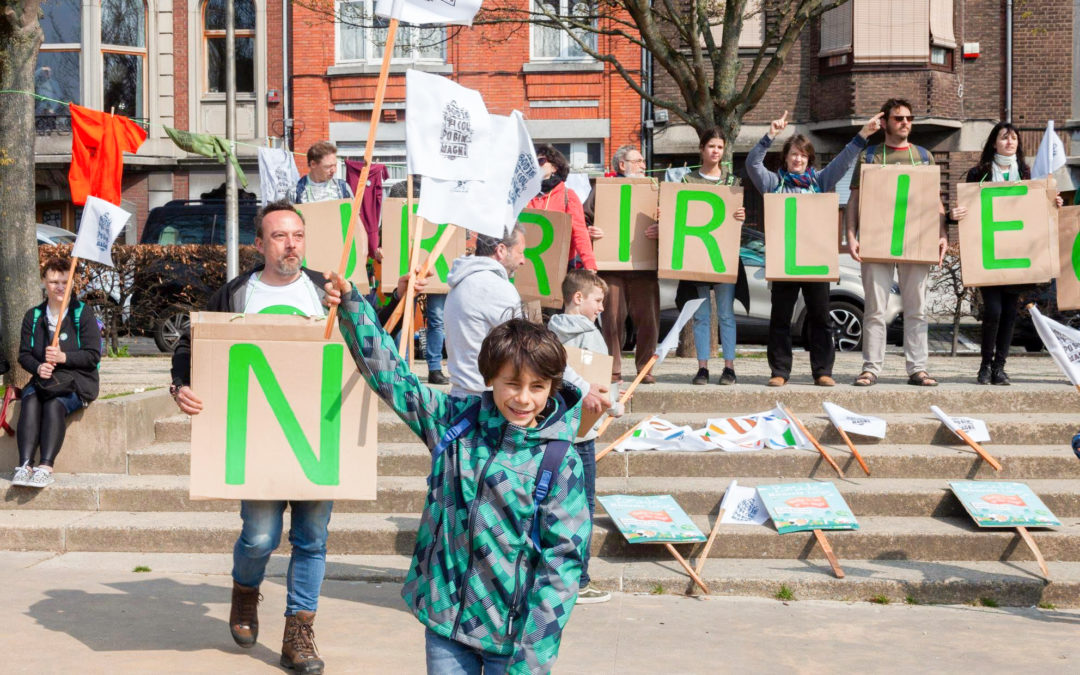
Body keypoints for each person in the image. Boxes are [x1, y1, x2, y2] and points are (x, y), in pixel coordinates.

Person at [169, 200, 420, 673]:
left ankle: (298, 632)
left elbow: (373, 336)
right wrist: (181, 384)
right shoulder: (235, 294)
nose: (291, 245)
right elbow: (192, 344)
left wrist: (395, 297)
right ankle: (245, 591)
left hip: (319, 435)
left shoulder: (329, 289)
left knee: (312, 538)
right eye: (280, 236)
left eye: (298, 235)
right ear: (260, 244)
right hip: (258, 439)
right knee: (260, 538)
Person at [327, 266, 590, 674]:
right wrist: (351, 304)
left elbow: (563, 565)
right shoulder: (456, 423)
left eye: (537, 387)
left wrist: (531, 662)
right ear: (490, 379)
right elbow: (393, 379)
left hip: (512, 640)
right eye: (511, 384)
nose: (523, 399)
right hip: (445, 624)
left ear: (552, 387)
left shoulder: (559, 461)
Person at [745, 111, 884, 387]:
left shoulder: (819, 182)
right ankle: (780, 372)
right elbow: (752, 164)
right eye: (793, 154)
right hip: (785, 261)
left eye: (803, 155)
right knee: (780, 318)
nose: (798, 159)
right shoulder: (774, 184)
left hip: (815, 261)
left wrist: (863, 135)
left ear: (809, 159)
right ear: (785, 158)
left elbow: (844, 162)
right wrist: (770, 134)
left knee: (821, 317)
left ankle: (822, 371)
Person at [950, 122, 1065, 385]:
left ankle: (1000, 366)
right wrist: (953, 216)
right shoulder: (978, 173)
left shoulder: (1026, 173)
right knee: (992, 310)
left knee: (1010, 312)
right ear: (994, 143)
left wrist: (1053, 203)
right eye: (1004, 138)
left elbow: (1036, 213)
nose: (1010, 142)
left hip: (1017, 255)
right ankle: (984, 365)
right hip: (989, 253)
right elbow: (967, 211)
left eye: (1014, 138)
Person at [845, 98, 948, 387]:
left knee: (917, 308)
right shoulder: (870, 156)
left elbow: (935, 202)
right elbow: (854, 200)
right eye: (899, 118)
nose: (906, 123)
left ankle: (918, 368)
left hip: (916, 242)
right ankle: (871, 368)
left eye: (909, 118)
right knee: (875, 309)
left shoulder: (923, 156)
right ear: (886, 122)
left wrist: (942, 235)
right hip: (877, 242)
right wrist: (851, 236)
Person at [547, 269, 625, 605]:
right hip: (580, 437)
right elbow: (596, 386)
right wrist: (615, 406)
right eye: (598, 300)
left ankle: (552, 575)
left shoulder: (549, 331)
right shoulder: (589, 335)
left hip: (552, 431)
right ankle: (579, 580)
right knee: (584, 507)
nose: (602, 308)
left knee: (553, 505)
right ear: (578, 298)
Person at [12, 257, 101, 488]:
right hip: (44, 380)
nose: (59, 287)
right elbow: (24, 355)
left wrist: (64, 357)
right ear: (44, 282)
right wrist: (38, 366)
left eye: (64, 281)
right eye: (53, 281)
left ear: (72, 283)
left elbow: (93, 356)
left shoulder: (83, 313)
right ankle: (25, 465)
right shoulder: (33, 316)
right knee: (30, 401)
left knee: (54, 404)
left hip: (77, 381)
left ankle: (45, 466)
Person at [582, 145, 661, 384]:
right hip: (611, 267)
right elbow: (584, 219)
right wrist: (589, 231)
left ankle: (645, 368)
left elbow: (672, 220)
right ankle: (613, 370)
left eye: (643, 161)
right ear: (622, 165)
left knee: (648, 318)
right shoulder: (602, 189)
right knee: (612, 320)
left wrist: (662, 227)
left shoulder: (653, 190)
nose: (643, 166)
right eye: (637, 161)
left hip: (644, 266)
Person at [680, 128, 745, 386]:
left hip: (724, 255)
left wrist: (741, 217)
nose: (715, 151)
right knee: (701, 314)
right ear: (702, 149)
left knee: (726, 314)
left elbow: (735, 218)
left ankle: (729, 367)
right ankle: (703, 368)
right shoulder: (687, 181)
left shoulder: (733, 181)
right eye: (711, 146)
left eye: (719, 147)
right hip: (698, 255)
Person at [389, 177, 448, 385]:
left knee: (437, 318)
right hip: (408, 264)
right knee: (404, 312)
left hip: (438, 265)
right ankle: (401, 365)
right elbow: (390, 223)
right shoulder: (400, 189)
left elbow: (458, 231)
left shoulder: (446, 191)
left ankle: (434, 367)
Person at [529, 144, 597, 271]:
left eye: (541, 161)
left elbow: (579, 232)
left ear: (554, 167)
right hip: (529, 261)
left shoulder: (567, 196)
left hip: (561, 262)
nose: (536, 165)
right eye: (533, 162)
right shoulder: (525, 195)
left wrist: (590, 265)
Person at [289, 141, 353, 205]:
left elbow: (350, 214)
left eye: (335, 165)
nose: (334, 170)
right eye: (328, 166)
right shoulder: (295, 192)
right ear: (313, 164)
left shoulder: (342, 188)